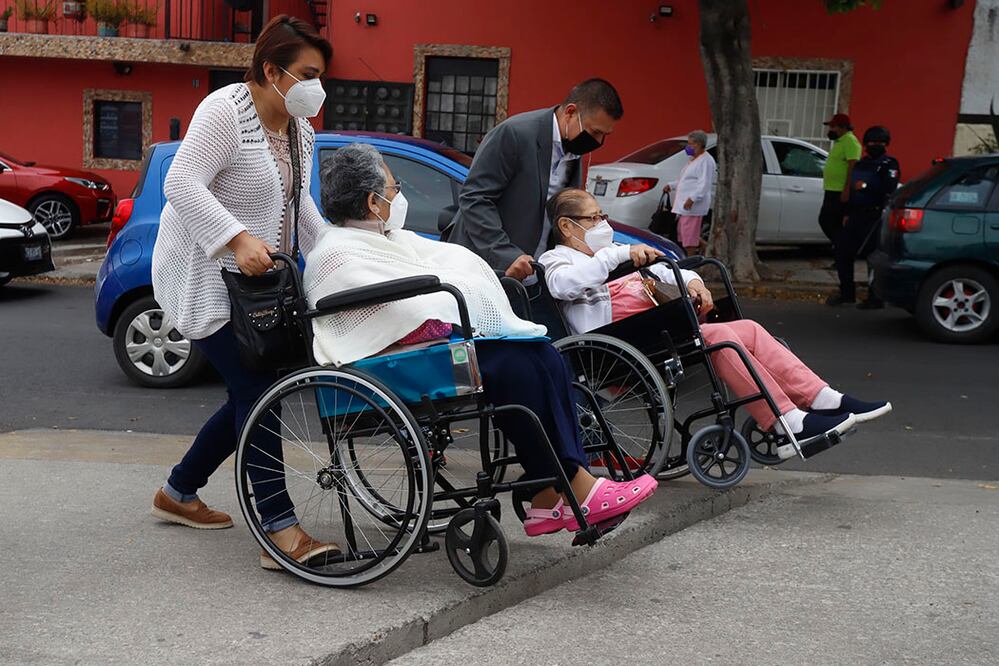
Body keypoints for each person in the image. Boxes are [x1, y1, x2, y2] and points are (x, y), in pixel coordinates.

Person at [304, 143, 658, 536]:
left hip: (430, 345)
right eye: (395, 186)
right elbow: (384, 313)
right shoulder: (335, 251)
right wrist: (442, 316)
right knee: (515, 367)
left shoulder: (388, 237)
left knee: (545, 355)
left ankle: (549, 495)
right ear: (373, 201)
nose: (398, 195)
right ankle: (574, 485)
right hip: (390, 360)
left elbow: (446, 268)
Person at [150, 16, 339, 570]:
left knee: (246, 397)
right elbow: (180, 182)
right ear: (270, 70)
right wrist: (234, 238)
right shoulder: (225, 110)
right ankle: (279, 530)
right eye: (307, 74)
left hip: (260, 292)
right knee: (261, 393)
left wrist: (336, 255)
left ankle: (178, 492)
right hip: (204, 278)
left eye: (320, 75)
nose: (316, 87)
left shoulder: (300, 131)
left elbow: (297, 207)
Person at [539, 188, 892, 457]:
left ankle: (825, 399)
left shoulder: (609, 251)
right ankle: (787, 422)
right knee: (717, 337)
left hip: (652, 335)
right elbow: (562, 287)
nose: (603, 224)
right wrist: (614, 254)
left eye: (603, 216)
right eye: (594, 218)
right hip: (614, 354)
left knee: (749, 329)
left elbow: (662, 269)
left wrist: (693, 282)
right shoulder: (558, 261)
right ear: (567, 226)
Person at [447, 78, 622, 290]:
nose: (598, 141)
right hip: (488, 270)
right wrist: (506, 254)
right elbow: (475, 197)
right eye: (595, 132)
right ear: (571, 112)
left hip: (538, 274)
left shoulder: (573, 147)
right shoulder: (515, 133)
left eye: (605, 135)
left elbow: (564, 210)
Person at [826, 125, 900, 308]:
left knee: (872, 256)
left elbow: (889, 188)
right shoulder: (861, 164)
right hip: (856, 215)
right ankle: (847, 293)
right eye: (872, 142)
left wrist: (866, 187)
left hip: (876, 216)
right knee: (842, 252)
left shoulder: (889, 164)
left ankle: (875, 297)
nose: (875, 145)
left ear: (886, 144)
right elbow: (852, 190)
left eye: (880, 142)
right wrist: (847, 213)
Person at [662, 130, 715, 256]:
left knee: (688, 237)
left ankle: (690, 261)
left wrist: (692, 199)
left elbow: (704, 184)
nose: (688, 147)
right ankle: (707, 249)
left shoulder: (705, 161)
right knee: (684, 233)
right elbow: (685, 181)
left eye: (691, 144)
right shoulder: (693, 160)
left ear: (699, 144)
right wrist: (671, 185)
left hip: (692, 206)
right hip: (684, 206)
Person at [818, 113, 863, 249]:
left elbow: (853, 167)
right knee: (830, 222)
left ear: (843, 127)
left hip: (839, 191)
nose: (830, 130)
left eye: (833, 127)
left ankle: (843, 248)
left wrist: (847, 189)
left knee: (827, 221)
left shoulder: (850, 141)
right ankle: (840, 250)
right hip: (831, 189)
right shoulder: (839, 142)